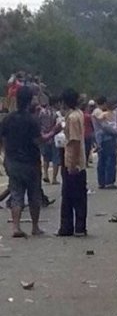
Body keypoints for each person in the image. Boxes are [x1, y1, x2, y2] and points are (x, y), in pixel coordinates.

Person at [0, 86, 60, 238]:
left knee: (16, 193)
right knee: (34, 195)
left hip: (13, 161)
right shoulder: (31, 120)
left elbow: (3, 139)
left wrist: (6, 155)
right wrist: (54, 132)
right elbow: (39, 140)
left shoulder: (8, 119)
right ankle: (35, 226)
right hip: (30, 162)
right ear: (29, 100)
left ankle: (15, 227)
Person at [58, 88, 88, 237]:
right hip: (74, 160)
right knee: (71, 195)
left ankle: (76, 227)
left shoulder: (73, 118)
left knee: (73, 195)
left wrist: (73, 164)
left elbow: (75, 141)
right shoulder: (76, 114)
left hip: (73, 162)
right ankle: (70, 227)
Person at [92, 97, 117, 189]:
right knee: (110, 160)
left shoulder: (97, 112)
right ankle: (109, 182)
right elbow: (105, 126)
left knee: (102, 161)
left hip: (100, 139)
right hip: (107, 138)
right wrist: (115, 132)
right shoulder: (99, 112)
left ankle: (102, 182)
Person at [37, 97, 61, 184]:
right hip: (53, 137)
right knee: (56, 159)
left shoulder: (42, 112)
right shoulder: (56, 114)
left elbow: (38, 123)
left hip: (43, 137)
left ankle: (46, 175)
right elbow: (59, 125)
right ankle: (54, 179)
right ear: (56, 103)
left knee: (46, 158)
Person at [82, 100, 95, 167]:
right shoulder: (88, 116)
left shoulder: (81, 116)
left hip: (82, 134)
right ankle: (86, 162)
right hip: (88, 134)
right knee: (87, 149)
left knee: (83, 149)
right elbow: (92, 125)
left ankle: (83, 162)